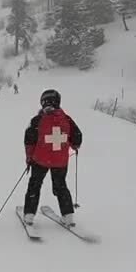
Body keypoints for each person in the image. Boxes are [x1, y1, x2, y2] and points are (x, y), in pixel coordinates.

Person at [22, 88, 82, 226]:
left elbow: (29, 141)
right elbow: (77, 138)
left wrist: (29, 158)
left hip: (40, 160)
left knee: (34, 186)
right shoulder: (67, 119)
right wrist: (75, 146)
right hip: (60, 161)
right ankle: (68, 216)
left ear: (43, 102)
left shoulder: (37, 120)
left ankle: (29, 215)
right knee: (60, 186)